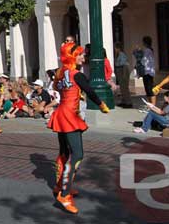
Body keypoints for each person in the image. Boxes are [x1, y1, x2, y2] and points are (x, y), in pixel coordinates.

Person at [48, 42, 109, 214]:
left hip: (60, 113)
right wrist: (102, 104)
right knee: (78, 154)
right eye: (80, 54)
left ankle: (60, 185)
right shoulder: (77, 74)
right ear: (73, 57)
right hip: (69, 116)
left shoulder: (60, 72)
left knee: (64, 153)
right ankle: (65, 194)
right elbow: (90, 91)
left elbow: (56, 88)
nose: (84, 57)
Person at [114, 42, 132, 108]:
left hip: (123, 70)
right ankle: (124, 101)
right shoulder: (118, 55)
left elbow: (124, 65)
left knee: (125, 87)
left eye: (115, 48)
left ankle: (128, 102)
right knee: (122, 87)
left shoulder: (122, 55)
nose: (115, 49)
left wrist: (124, 75)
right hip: (120, 71)